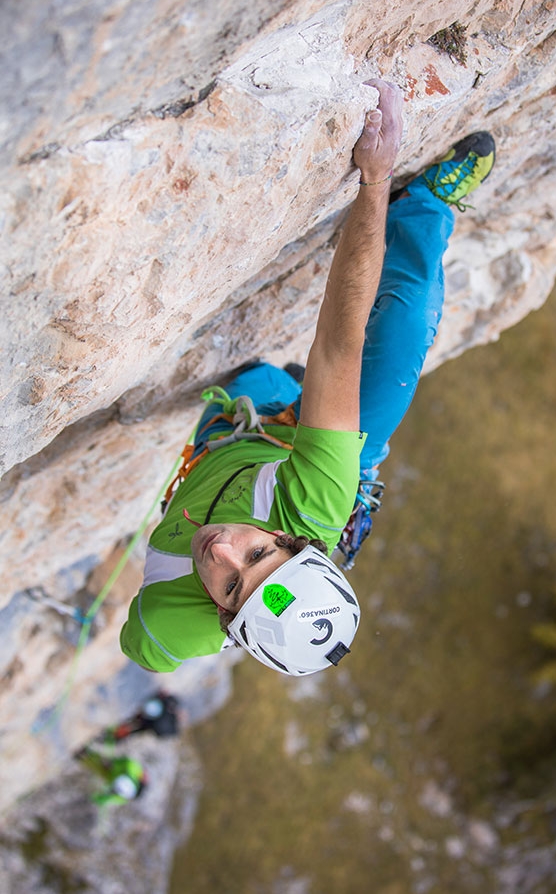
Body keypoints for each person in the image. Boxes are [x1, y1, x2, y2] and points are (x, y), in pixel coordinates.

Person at [120, 79, 495, 677]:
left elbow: (142, 648)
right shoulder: (317, 504)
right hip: (316, 462)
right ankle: (425, 207)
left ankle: (289, 395)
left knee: (262, 378)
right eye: (258, 551)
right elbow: (340, 345)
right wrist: (374, 180)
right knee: (399, 344)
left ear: (222, 619)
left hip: (244, 422)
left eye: (229, 586)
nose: (221, 550)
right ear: (294, 542)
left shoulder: (167, 627)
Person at [76, 746, 147, 807]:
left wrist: (96, 799)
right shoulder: (130, 768)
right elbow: (126, 761)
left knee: (97, 768)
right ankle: (86, 752)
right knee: (101, 762)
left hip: (109, 776)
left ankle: (81, 758)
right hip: (113, 767)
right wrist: (113, 763)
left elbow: (108, 799)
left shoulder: (122, 797)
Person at [102, 691, 181, 742]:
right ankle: (114, 735)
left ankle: (113, 735)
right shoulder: (170, 714)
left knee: (131, 725)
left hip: (151, 721)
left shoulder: (169, 711)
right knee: (131, 726)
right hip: (151, 722)